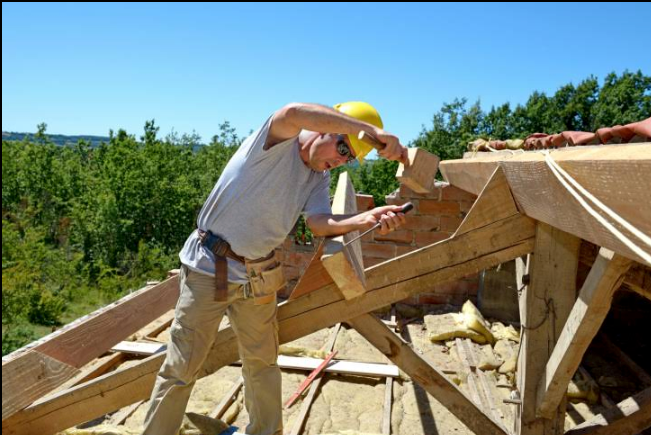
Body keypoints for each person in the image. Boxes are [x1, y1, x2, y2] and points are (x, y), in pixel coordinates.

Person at [143, 102, 409, 435]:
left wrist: (366, 219)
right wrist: (371, 132)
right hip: (213, 269)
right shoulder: (276, 143)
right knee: (182, 368)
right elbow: (294, 112)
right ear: (326, 128)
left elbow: (318, 222)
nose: (342, 160)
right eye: (343, 148)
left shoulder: (317, 175)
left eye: (349, 158)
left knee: (262, 365)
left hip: (258, 275)